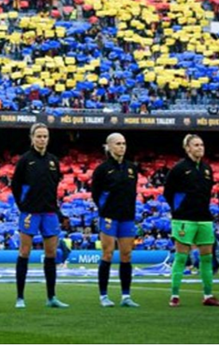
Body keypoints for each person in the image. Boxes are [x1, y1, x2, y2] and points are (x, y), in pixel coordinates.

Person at [11, 123, 68, 309]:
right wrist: (23, 207)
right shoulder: (25, 160)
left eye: (45, 136)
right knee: (24, 252)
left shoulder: (53, 161)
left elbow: (53, 188)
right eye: (39, 136)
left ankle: (51, 297)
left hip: (49, 212)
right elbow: (15, 186)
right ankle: (20, 297)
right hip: (30, 213)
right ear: (32, 138)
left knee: (51, 254)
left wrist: (58, 211)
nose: (42, 139)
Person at [163, 134, 219, 307]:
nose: (200, 148)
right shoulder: (179, 169)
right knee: (181, 258)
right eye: (196, 145)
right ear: (187, 148)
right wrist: (179, 209)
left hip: (204, 218)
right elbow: (168, 192)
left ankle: (208, 295)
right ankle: (174, 295)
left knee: (206, 258)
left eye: (202, 145)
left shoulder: (206, 169)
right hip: (184, 218)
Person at [90, 132, 139, 308]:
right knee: (108, 253)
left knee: (127, 255)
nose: (121, 147)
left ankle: (126, 295)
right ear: (109, 147)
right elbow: (95, 194)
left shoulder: (132, 168)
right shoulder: (102, 170)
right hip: (109, 216)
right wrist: (105, 209)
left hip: (127, 217)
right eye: (118, 144)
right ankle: (103, 295)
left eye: (124, 143)